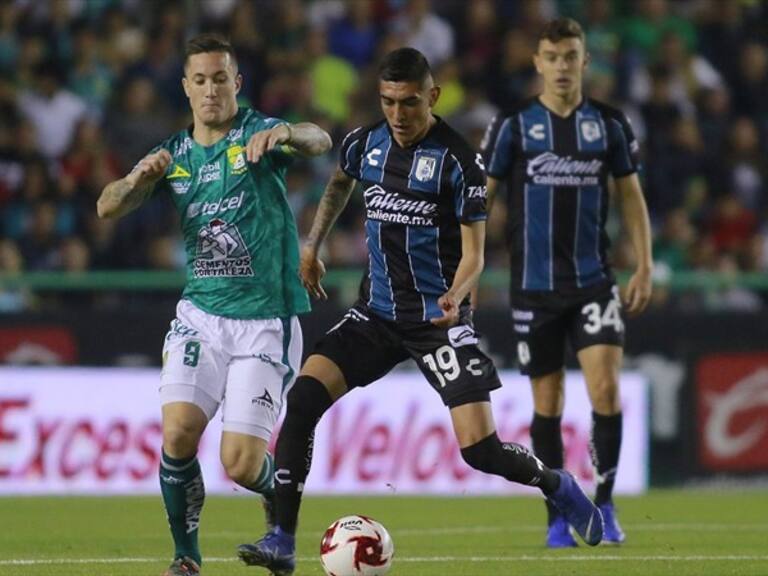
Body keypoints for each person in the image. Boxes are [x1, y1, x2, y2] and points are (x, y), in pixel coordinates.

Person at [236, 47, 603, 576]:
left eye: (409, 103)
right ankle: (282, 541)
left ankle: (557, 484)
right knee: (304, 399)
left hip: (439, 322)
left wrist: (455, 296)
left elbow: (476, 254)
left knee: (480, 451)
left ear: (432, 96)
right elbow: (341, 180)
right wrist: (312, 245)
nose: (398, 115)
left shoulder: (459, 162)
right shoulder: (365, 144)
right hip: (377, 315)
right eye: (388, 102)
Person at [96, 34, 332, 576]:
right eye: (199, 80)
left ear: (236, 83)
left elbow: (320, 140)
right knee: (178, 432)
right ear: (185, 87)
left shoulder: (258, 132)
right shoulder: (173, 156)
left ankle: (275, 495)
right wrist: (136, 179)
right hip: (201, 316)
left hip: (265, 322)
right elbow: (108, 207)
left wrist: (285, 132)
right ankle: (186, 557)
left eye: (220, 78)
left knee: (241, 465)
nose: (210, 90)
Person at [480, 18, 653, 547]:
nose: (561, 66)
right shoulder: (512, 125)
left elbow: (630, 197)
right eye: (552, 57)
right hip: (533, 286)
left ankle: (603, 500)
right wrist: (466, 261)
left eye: (570, 56)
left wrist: (644, 264)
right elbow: (480, 197)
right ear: (537, 62)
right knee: (548, 403)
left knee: (605, 389)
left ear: (584, 61)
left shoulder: (608, 124)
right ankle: (558, 510)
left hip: (593, 281)